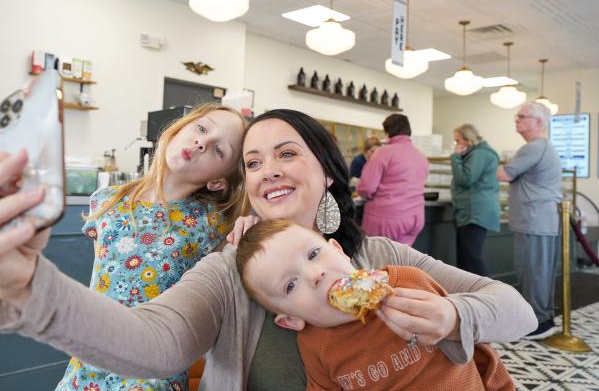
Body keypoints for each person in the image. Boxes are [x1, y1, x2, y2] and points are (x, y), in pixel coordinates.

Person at [0, 109, 536, 391]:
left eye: (286, 153)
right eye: (252, 163)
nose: (269, 170)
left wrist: (451, 313)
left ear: (327, 172)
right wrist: (30, 292)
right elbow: (155, 342)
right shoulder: (227, 270)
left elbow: (518, 311)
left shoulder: (382, 258)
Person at [56, 103, 247, 391]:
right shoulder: (107, 200)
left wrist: (250, 223)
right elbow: (99, 283)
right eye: (202, 128)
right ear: (182, 127)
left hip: (152, 372)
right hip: (89, 363)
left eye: (219, 151)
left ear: (219, 180)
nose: (201, 143)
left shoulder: (214, 223)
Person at [236, 218, 514, 391]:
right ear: (290, 320)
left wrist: (453, 318)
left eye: (313, 254)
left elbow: (477, 349)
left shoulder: (409, 280)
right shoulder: (314, 346)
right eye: (291, 285)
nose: (315, 275)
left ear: (339, 252)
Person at [497, 101, 562, 340]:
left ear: (538, 122)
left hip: (535, 221)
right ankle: (542, 319)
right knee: (538, 272)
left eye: (522, 116)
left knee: (534, 272)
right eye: (517, 116)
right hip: (538, 221)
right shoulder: (541, 147)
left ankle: (539, 323)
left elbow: (503, 174)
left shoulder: (534, 147)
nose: (517, 119)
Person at [357, 113, 428, 246]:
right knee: (401, 260)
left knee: (377, 261)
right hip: (415, 218)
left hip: (388, 218)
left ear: (387, 132)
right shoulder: (420, 156)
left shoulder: (384, 152)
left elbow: (366, 187)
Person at [451, 123, 500, 276]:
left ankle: (489, 295)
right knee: (466, 257)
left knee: (471, 258)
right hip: (471, 211)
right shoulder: (480, 153)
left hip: (474, 212)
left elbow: (465, 178)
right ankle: (469, 296)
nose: (457, 145)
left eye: (457, 140)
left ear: (468, 140)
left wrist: (455, 157)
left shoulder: (479, 154)